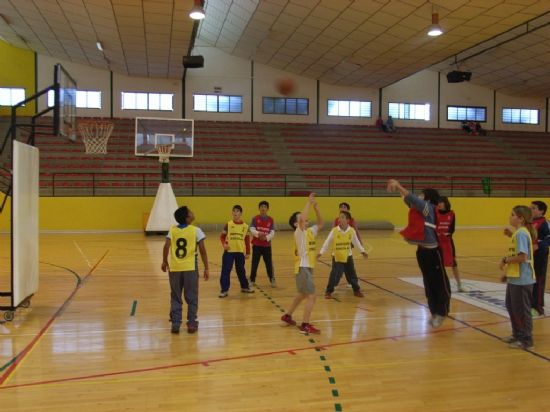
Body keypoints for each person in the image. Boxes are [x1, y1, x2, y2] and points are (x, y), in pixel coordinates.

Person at [386, 179, 451, 328]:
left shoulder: (428, 207)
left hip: (433, 252)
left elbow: (412, 198)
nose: (419, 197)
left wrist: (399, 186)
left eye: (421, 195)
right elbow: (408, 201)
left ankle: (442, 312)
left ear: (427, 198)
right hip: (422, 252)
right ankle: (434, 312)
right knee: (428, 284)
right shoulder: (418, 208)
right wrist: (397, 190)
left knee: (439, 284)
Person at [161, 206, 209, 334]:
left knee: (176, 296)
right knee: (192, 296)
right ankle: (192, 323)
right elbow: (203, 251)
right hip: (190, 268)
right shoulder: (196, 230)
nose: (193, 213)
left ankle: (176, 324)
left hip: (175, 268)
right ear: (188, 218)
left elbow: (166, 246)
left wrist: (164, 261)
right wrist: (206, 267)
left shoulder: (172, 230)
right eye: (190, 212)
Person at [281, 193, 324, 334]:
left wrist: (316, 208)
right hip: (302, 266)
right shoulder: (299, 232)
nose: (305, 220)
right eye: (300, 218)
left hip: (307, 267)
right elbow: (302, 219)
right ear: (296, 223)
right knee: (312, 296)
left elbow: (321, 223)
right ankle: (305, 324)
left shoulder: (310, 231)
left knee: (302, 294)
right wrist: (309, 202)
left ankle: (287, 315)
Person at [499, 205, 537, 350]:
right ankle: (517, 334)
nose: (510, 217)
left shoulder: (521, 233)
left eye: (513, 214)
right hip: (514, 277)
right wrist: (507, 274)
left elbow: (522, 257)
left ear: (521, 218)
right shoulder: (518, 233)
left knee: (521, 310)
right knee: (511, 306)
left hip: (522, 279)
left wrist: (505, 260)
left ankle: (526, 340)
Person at [319, 210, 367, 299]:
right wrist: (321, 252)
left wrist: (362, 251)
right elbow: (327, 242)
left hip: (348, 256)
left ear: (348, 220)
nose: (339, 219)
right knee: (334, 274)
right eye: (339, 217)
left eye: (342, 217)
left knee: (352, 274)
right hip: (337, 256)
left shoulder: (351, 231)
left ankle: (356, 290)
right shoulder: (334, 230)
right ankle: (328, 291)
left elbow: (356, 243)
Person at [219, 205, 254, 298]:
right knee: (226, 271)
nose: (235, 213)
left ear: (241, 213)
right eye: (233, 211)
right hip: (229, 252)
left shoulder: (245, 226)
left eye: (237, 211)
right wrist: (224, 245)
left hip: (239, 252)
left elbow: (247, 240)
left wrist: (248, 253)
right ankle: (224, 290)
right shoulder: (228, 224)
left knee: (241, 270)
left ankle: (244, 287)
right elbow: (222, 237)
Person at [436, 196, 466, 292]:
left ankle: (459, 285)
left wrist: (448, 233)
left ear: (445, 203)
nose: (439, 204)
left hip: (447, 241)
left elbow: (452, 228)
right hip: (436, 242)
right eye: (438, 202)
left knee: (454, 264)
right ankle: (439, 285)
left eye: (441, 202)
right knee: (438, 264)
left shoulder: (452, 214)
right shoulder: (435, 212)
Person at [249, 200, 276, 287]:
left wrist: (266, 238)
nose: (263, 208)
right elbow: (252, 229)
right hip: (256, 245)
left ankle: (272, 278)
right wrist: (258, 234)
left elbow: (272, 232)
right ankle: (252, 279)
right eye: (261, 207)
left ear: (267, 209)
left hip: (266, 246)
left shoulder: (271, 220)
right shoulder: (255, 218)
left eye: (265, 207)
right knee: (254, 263)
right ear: (259, 208)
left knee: (268, 263)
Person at [529, 201, 549, 317]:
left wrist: (539, 245)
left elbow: (548, 238)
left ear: (541, 211)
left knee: (539, 280)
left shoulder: (545, 223)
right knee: (530, 279)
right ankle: (530, 303)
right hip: (529, 256)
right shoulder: (529, 223)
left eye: (533, 208)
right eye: (530, 208)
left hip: (540, 255)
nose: (531, 210)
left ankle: (538, 307)